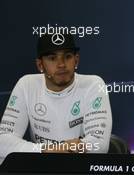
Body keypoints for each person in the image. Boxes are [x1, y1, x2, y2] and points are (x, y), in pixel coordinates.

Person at [0, 33, 112, 163]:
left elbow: (99, 145)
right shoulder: (27, 85)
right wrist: (47, 150)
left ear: (76, 60)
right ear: (40, 65)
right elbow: (3, 141)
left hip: (79, 167)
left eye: (67, 56)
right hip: (42, 166)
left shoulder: (93, 84)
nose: (61, 65)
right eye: (52, 58)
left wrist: (69, 149)